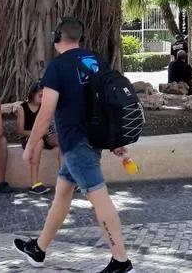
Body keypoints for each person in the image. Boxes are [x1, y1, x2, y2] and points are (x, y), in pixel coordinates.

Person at [15, 17, 133, 273]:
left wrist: (31, 146)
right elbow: (109, 102)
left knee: (99, 199)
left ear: (57, 37)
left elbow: (45, 113)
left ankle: (121, 261)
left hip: (76, 144)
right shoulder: (95, 60)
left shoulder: (57, 67)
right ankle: (38, 249)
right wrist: (114, 139)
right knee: (62, 194)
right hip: (92, 139)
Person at [16, 83, 62, 195]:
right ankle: (34, 183)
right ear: (33, 94)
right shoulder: (22, 108)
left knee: (63, 142)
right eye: (40, 95)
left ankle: (66, 179)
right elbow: (20, 131)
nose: (43, 98)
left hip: (45, 136)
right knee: (38, 142)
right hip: (29, 138)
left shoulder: (45, 107)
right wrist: (37, 133)